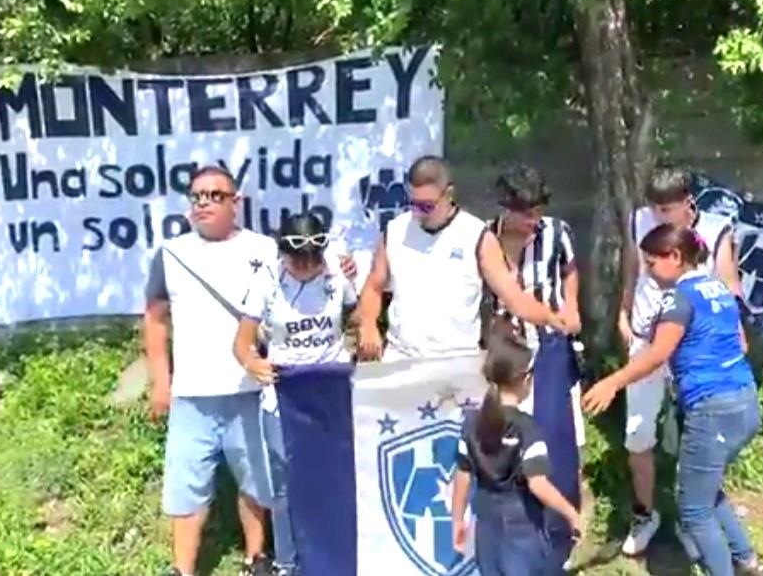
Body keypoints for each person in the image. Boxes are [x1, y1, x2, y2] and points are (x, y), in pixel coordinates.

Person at [582, 224, 763, 576]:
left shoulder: (678, 298)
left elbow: (657, 355)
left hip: (713, 409)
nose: (648, 273)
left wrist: (613, 383)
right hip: (744, 401)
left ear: (676, 257)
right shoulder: (717, 288)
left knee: (694, 509)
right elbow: (741, 345)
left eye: (652, 263)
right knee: (707, 490)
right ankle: (747, 561)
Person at [143, 165, 279, 576]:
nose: (204, 203)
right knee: (186, 492)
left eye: (215, 195)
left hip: (249, 390)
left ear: (235, 203)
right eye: (197, 196)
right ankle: (182, 570)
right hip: (192, 395)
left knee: (257, 482)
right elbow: (154, 318)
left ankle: (256, 559)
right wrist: (160, 382)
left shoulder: (265, 249)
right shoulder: (172, 254)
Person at [615, 166, 743, 556]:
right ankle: (644, 514)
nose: (659, 216)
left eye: (667, 209)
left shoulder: (717, 229)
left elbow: (729, 287)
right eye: (655, 208)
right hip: (645, 341)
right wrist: (623, 317)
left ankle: (696, 517)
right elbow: (632, 272)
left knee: (695, 437)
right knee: (638, 434)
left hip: (692, 349)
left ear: (689, 202)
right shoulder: (641, 221)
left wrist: (734, 340)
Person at [232, 213, 358, 576]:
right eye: (298, 260)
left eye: (313, 260)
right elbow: (241, 345)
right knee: (287, 483)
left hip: (331, 388)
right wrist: (254, 364)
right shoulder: (267, 280)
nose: (306, 267)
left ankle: (339, 555)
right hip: (285, 395)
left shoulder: (336, 272)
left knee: (338, 474)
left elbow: (355, 312)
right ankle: (288, 562)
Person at [355, 155, 567, 362]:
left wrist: (551, 318)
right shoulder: (395, 231)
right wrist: (368, 323)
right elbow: (374, 286)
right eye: (413, 204)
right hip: (402, 357)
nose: (419, 213)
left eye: (427, 206)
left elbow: (513, 298)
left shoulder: (476, 236)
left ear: (449, 194)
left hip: (457, 361)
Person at [484, 164, 585, 567]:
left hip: (551, 343)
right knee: (510, 435)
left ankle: (561, 533)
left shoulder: (557, 231)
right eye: (525, 212)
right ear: (505, 207)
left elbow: (570, 268)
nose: (533, 220)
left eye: (537, 211)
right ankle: (515, 526)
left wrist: (572, 304)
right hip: (508, 345)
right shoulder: (487, 238)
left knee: (555, 437)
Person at [451, 330, 582, 576]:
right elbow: (538, 484)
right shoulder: (528, 429)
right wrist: (570, 513)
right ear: (525, 379)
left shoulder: (471, 424)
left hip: (486, 530)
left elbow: (462, 477)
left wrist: (457, 519)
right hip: (523, 530)